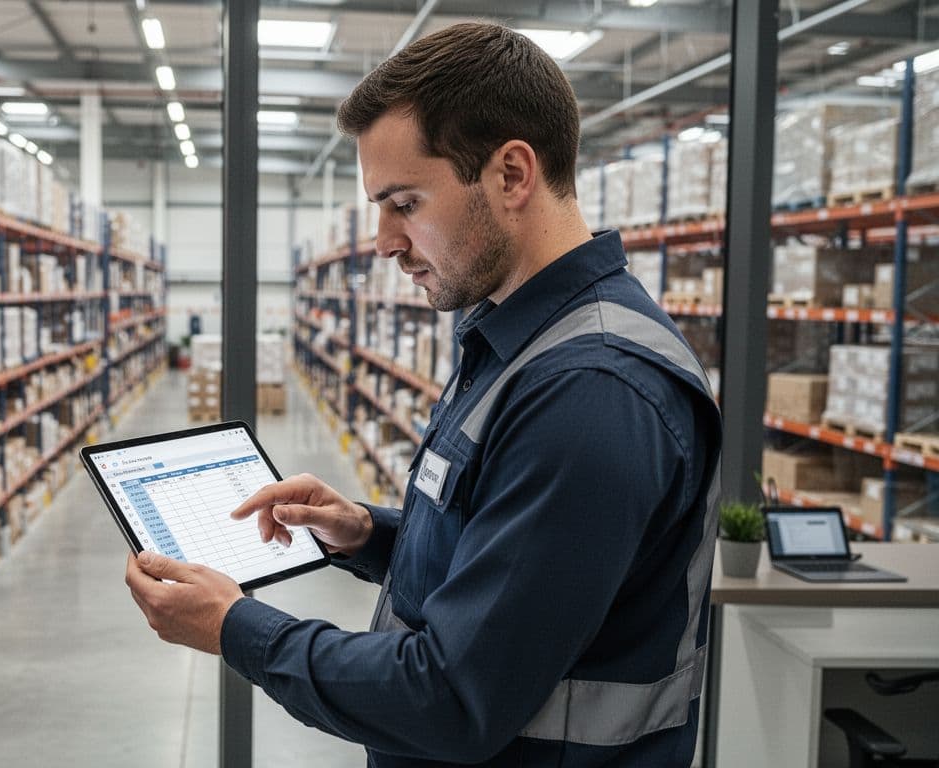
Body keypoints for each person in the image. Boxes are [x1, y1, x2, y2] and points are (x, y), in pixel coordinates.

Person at [125, 21, 723, 767]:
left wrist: (233, 626)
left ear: (511, 175)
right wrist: (366, 533)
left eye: (404, 203)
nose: (383, 242)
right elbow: (503, 559)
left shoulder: (592, 390)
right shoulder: (516, 340)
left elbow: (452, 697)